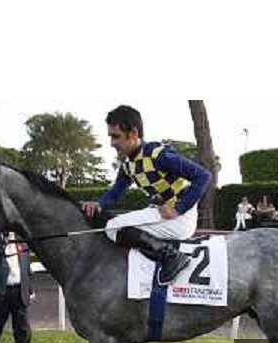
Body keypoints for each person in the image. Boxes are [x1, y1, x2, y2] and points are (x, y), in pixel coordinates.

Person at [81, 105, 212, 285]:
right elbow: (114, 193)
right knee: (114, 221)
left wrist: (178, 208)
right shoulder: (128, 165)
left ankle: (172, 257)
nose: (112, 143)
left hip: (180, 219)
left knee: (113, 227)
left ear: (134, 133)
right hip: (162, 214)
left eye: (116, 136)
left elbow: (203, 176)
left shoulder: (159, 155)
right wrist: (98, 204)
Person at [0, 232, 34, 343]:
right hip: (1, 289)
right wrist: (5, 242)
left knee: (22, 324)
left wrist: (30, 289)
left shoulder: (22, 242)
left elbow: (27, 268)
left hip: (19, 289)